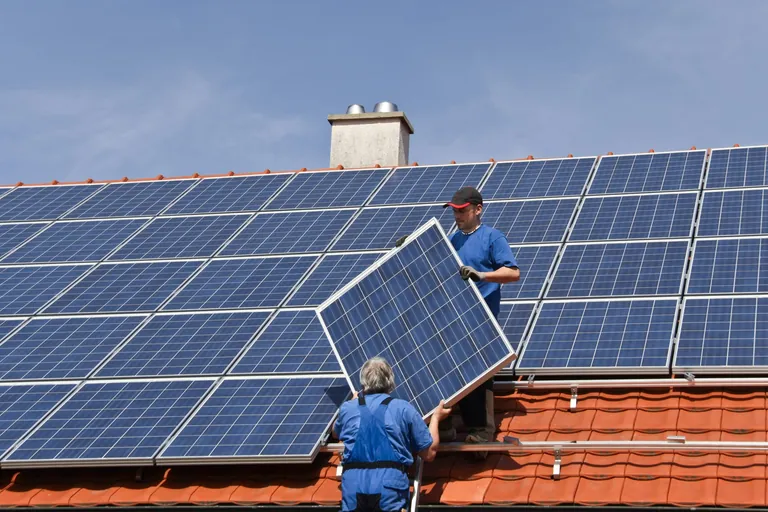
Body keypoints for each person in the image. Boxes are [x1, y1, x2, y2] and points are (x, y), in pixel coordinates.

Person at [395, 185, 520, 458]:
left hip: (481, 319)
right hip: (452, 319)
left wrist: (482, 276)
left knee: (478, 372)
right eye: (454, 211)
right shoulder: (451, 240)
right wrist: (410, 249)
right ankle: (448, 424)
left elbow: (512, 272)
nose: (458, 216)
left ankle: (481, 432)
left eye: (462, 211)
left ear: (478, 209)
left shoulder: (492, 237)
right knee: (445, 370)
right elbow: (432, 266)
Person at [333, 357, 452, 512]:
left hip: (353, 487)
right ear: (390, 382)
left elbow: (336, 433)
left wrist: (352, 403)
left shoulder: (348, 408)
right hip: (389, 487)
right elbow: (429, 453)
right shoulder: (403, 409)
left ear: (363, 383)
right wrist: (435, 418)